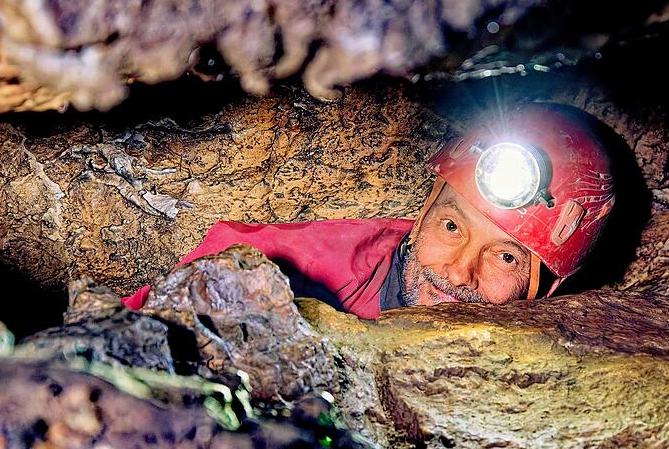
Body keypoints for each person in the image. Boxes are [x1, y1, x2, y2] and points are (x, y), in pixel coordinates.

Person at [123, 103, 616, 320]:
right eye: (451, 226)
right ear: (422, 215)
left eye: (507, 257)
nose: (458, 273)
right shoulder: (291, 270)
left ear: (545, 289)